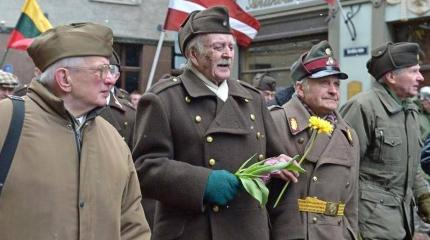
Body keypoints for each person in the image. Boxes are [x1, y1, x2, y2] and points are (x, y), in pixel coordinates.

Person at [132, 6, 296, 240]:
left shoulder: (252, 99)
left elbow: (278, 166)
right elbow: (144, 169)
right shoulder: (163, 99)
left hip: (250, 230)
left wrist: (277, 165)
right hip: (195, 231)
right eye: (218, 47)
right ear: (193, 55)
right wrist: (202, 182)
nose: (228, 54)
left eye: (230, 46)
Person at [0, 22, 151, 239]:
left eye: (112, 70)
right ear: (64, 78)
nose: (110, 79)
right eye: (101, 70)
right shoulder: (6, 120)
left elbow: (133, 226)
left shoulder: (113, 138)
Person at [269, 40, 359, 239]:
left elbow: (351, 203)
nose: (333, 90)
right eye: (323, 83)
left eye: (336, 83)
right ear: (300, 88)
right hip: (293, 232)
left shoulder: (348, 134)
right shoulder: (275, 122)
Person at [340, 42, 430, 240]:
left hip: (400, 222)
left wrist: (424, 197)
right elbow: (342, 168)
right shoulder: (362, 107)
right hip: (368, 225)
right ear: (391, 76)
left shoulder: (409, 110)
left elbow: (412, 165)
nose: (420, 77)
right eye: (413, 71)